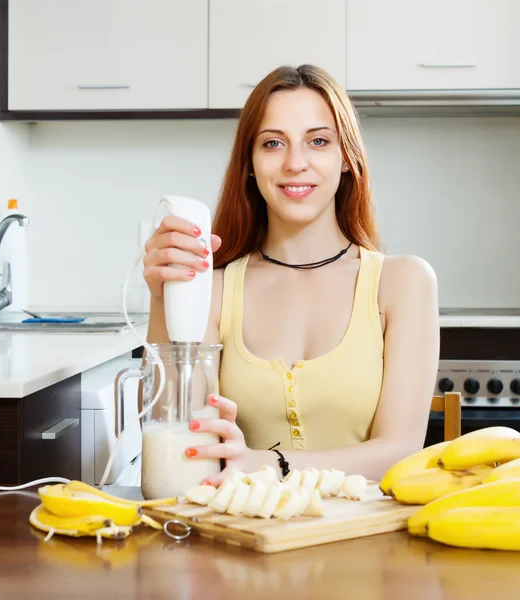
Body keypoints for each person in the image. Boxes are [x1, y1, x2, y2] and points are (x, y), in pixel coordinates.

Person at [143, 64, 440, 486]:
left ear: (346, 159)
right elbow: (181, 440)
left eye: (318, 141)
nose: (295, 163)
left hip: (367, 544)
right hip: (242, 540)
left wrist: (264, 464)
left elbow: (401, 451)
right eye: (272, 143)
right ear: (249, 163)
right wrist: (162, 297)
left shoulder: (403, 283)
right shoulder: (216, 288)